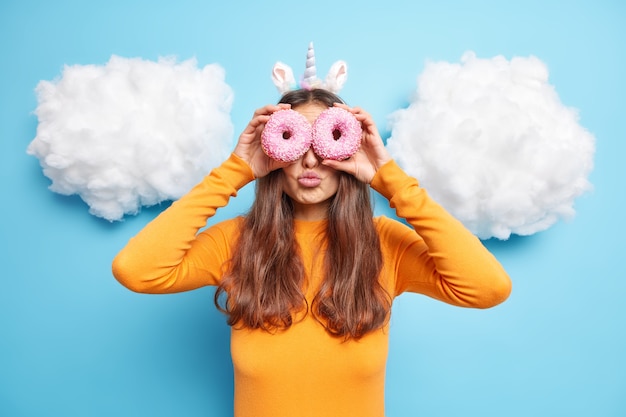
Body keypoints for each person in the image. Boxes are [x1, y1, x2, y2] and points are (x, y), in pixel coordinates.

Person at [112, 88, 512, 417]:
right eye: (293, 140)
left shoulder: (384, 243)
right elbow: (136, 270)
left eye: (328, 140)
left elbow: (488, 287)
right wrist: (236, 169)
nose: (310, 159)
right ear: (275, 153)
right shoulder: (236, 242)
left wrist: (389, 179)